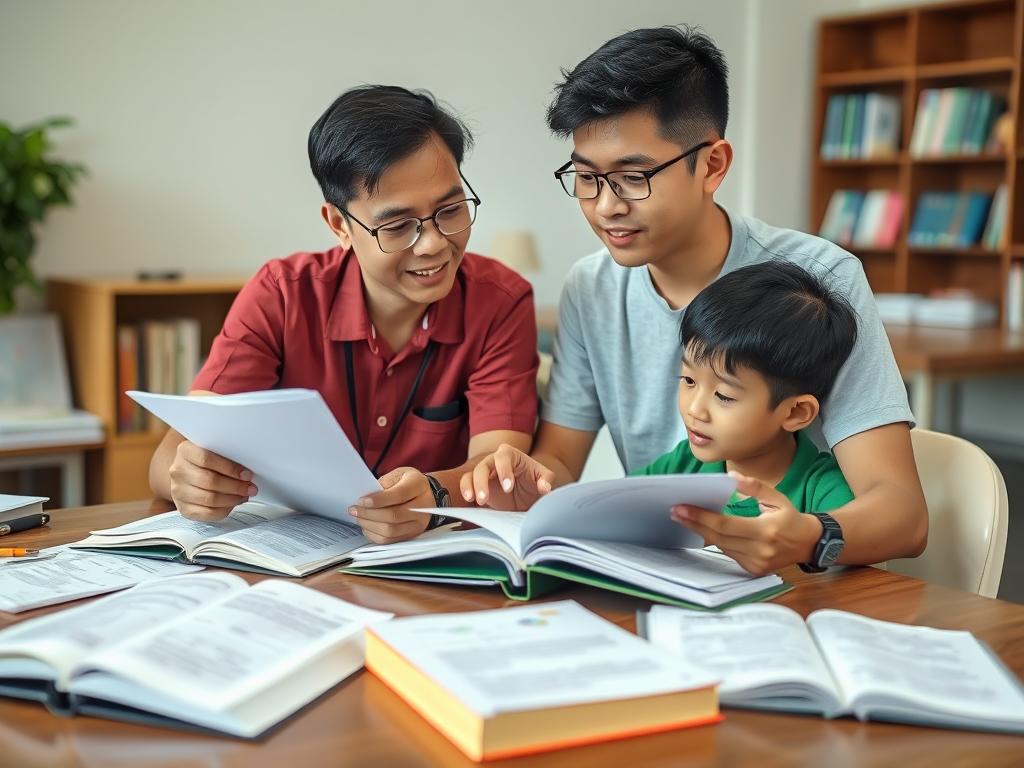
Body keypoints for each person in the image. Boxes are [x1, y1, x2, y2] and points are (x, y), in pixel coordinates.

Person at [462, 26, 927, 575]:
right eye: (586, 178)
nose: (605, 207)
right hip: (663, 576)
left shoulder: (819, 281)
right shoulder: (591, 287)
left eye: (633, 177)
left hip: (797, 589)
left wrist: (806, 536)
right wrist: (526, 482)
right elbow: (560, 461)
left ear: (712, 165)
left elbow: (903, 514)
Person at [149, 85, 538, 544]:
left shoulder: (500, 301)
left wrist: (434, 494)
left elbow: (500, 469)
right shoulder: (283, 295)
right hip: (290, 559)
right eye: (398, 226)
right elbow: (172, 456)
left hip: (425, 559)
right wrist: (191, 480)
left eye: (450, 210)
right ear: (339, 225)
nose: (433, 243)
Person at [633, 261, 856, 533]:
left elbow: (858, 568)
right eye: (689, 380)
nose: (695, 410)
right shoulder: (682, 465)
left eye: (724, 396)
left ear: (795, 413)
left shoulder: (824, 491)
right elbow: (613, 511)